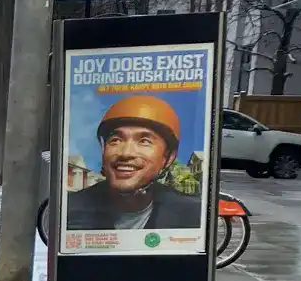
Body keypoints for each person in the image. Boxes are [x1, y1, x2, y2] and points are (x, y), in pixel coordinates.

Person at [64, 93, 201, 230]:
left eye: (144, 141)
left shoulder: (193, 214)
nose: (126, 153)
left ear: (168, 157)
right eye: (115, 140)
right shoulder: (67, 210)